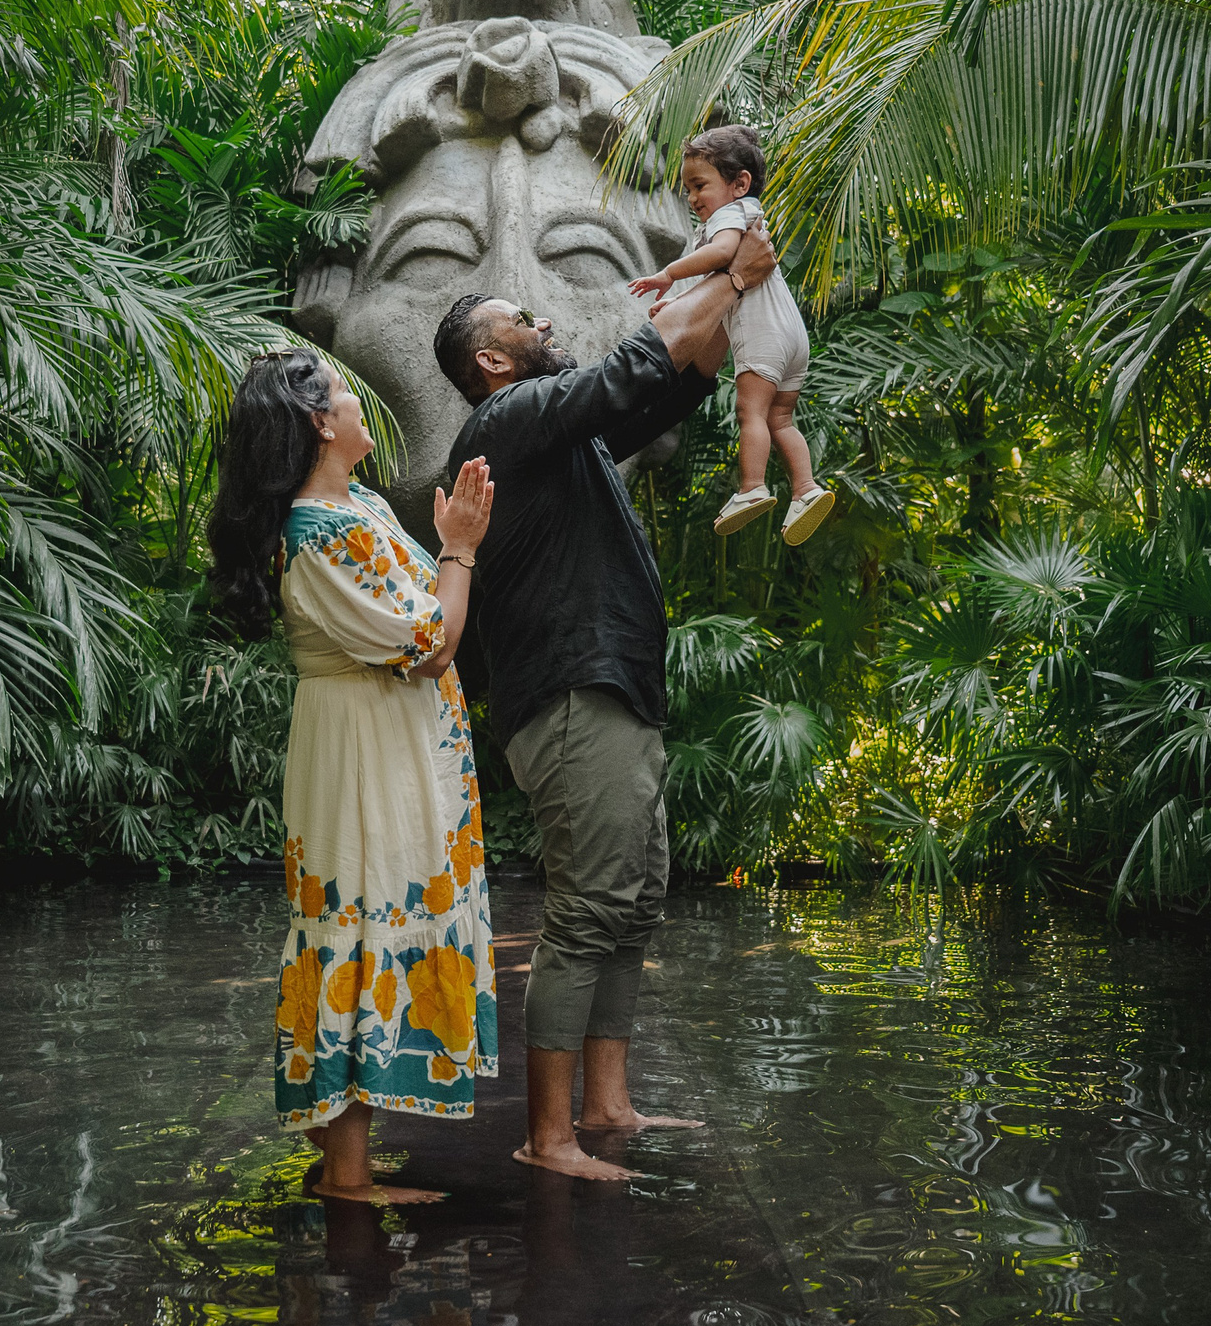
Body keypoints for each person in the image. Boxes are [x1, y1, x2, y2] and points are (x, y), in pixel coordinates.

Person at [433, 217, 779, 1180]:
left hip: (615, 691)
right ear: (496, 360)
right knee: (590, 909)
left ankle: (609, 1105)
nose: (546, 319)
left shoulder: (557, 440)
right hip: (575, 697)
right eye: (525, 318)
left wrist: (737, 295)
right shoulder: (504, 423)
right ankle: (548, 1139)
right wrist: (733, 272)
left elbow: (666, 383)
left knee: (633, 901)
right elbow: (629, 370)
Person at [208, 350, 499, 1204]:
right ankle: (346, 1175)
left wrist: (449, 553)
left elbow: (420, 616)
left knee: (372, 915)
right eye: (343, 394)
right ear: (317, 425)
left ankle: (341, 1157)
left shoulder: (360, 502)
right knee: (362, 920)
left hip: (396, 742)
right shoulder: (319, 532)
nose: (357, 401)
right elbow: (431, 642)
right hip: (366, 752)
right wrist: (462, 552)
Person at [627, 125, 834, 544]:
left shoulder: (728, 217)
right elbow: (723, 279)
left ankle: (752, 487)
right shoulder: (749, 215)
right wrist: (679, 305)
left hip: (762, 337)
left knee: (751, 414)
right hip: (792, 336)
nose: (692, 198)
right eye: (687, 189)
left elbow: (722, 257)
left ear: (739, 183)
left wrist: (668, 274)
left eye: (699, 185)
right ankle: (806, 490)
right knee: (780, 419)